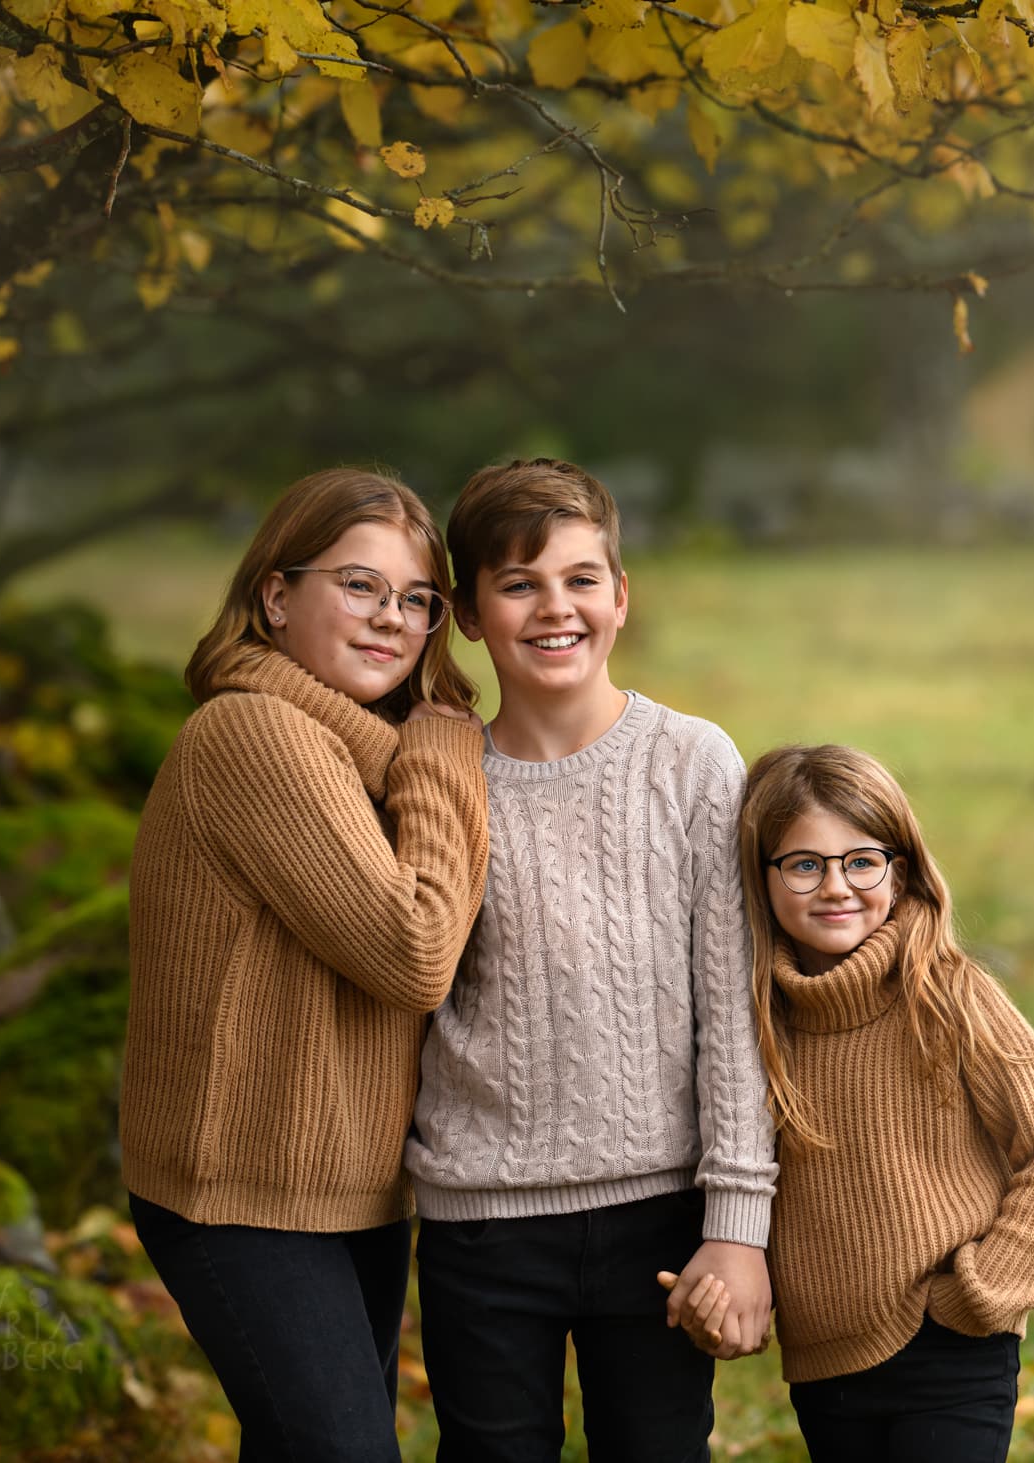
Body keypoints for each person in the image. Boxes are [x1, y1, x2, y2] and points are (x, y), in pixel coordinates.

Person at [405, 458, 778, 1462]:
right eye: (518, 583)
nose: (553, 606)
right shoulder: (439, 771)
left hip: (658, 1216)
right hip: (480, 1220)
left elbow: (734, 1009)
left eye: (578, 578)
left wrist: (737, 1225)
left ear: (620, 594)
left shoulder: (694, 762)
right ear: (469, 613)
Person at [120, 467, 489, 1463]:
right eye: (359, 585)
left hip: (348, 1185)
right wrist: (448, 769)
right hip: (243, 1191)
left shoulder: (363, 753)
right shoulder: (254, 734)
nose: (392, 619)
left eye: (417, 599)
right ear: (275, 595)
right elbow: (416, 952)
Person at [672, 743, 1034, 1463]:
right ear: (763, 877)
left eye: (861, 860)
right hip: (825, 1365)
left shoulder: (946, 994)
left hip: (952, 1350)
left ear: (898, 869)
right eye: (805, 863)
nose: (836, 886)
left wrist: (981, 1292)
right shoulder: (749, 1022)